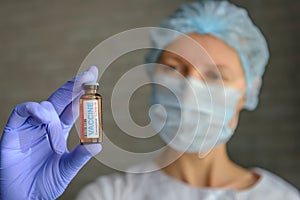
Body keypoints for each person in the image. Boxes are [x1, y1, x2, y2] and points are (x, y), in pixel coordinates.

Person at [0, 0, 299, 199]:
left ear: (247, 91)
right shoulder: (110, 195)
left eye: (215, 75)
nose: (189, 87)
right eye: (174, 67)